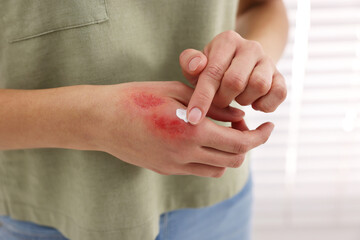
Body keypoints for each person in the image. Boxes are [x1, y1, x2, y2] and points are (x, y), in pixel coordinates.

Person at [0, 0, 288, 239]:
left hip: (215, 203)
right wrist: (96, 121)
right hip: (52, 214)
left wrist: (247, 68)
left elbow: (261, 7)